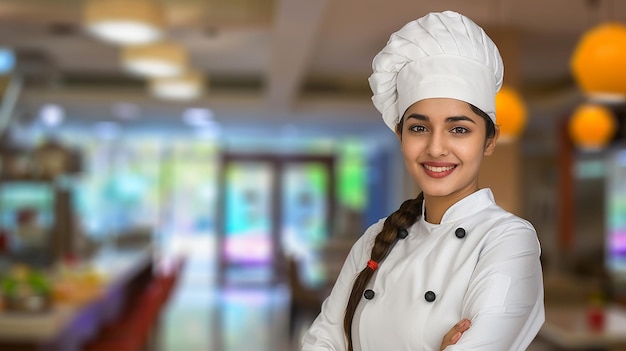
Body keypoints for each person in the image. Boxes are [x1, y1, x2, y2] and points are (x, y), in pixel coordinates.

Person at [300, 10, 544, 351]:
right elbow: (320, 342)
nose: (436, 147)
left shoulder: (508, 240)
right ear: (400, 135)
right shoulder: (375, 238)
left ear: (489, 140)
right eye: (419, 127)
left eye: (459, 129)